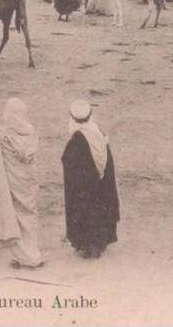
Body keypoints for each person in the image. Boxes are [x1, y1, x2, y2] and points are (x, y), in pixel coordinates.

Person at [0, 98, 44, 268]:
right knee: (29, 214)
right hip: (28, 181)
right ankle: (32, 254)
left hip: (12, 181)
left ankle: (22, 256)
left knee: (15, 214)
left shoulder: (1, 133)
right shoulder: (32, 131)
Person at [61, 100, 120, 259]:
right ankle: (100, 244)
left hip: (85, 188)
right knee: (100, 209)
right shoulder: (99, 133)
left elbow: (69, 162)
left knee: (85, 211)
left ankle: (88, 246)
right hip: (101, 185)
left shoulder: (77, 140)